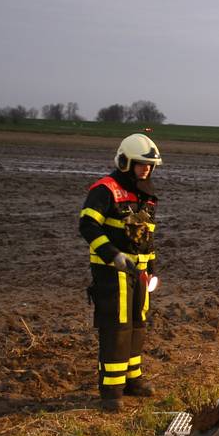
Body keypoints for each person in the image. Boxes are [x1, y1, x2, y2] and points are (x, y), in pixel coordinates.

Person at [79, 133, 163, 411]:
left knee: (137, 326)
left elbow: (147, 237)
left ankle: (132, 380)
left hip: (138, 274)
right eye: (141, 164)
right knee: (116, 328)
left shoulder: (146, 195)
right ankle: (111, 392)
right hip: (111, 272)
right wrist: (112, 256)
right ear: (125, 161)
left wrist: (151, 269)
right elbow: (88, 226)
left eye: (150, 166)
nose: (146, 169)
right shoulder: (105, 189)